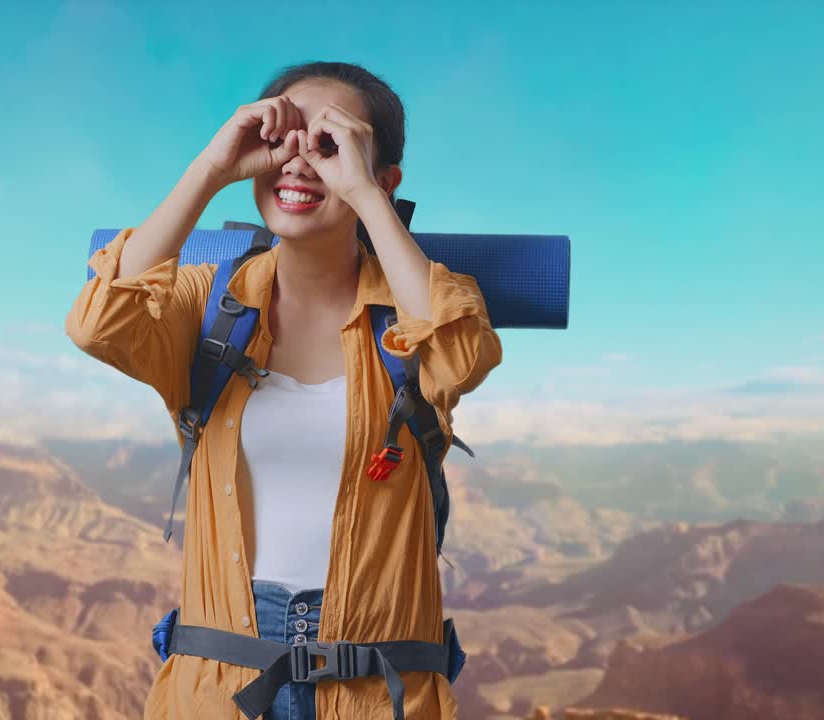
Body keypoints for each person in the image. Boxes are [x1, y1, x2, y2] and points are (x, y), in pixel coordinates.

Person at [66, 61, 503, 719]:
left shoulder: (416, 309)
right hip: (218, 692)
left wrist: (364, 196)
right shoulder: (207, 305)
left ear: (385, 178)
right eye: (282, 138)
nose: (299, 161)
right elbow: (99, 324)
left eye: (330, 143)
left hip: (375, 698)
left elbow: (461, 354)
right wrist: (212, 167)